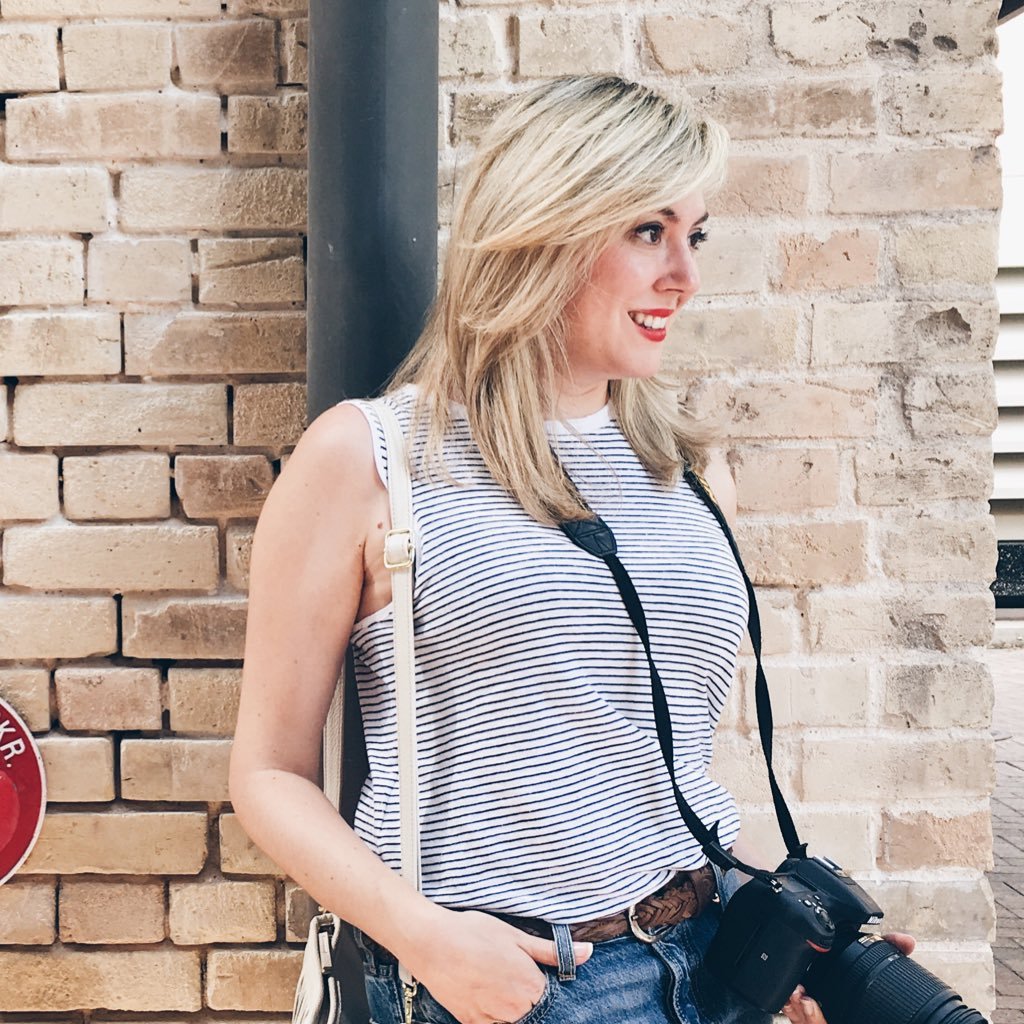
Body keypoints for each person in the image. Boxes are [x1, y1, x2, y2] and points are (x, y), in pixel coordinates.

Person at [228, 75, 911, 1024]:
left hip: (705, 963)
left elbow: (645, 749)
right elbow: (266, 773)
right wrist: (429, 941)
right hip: (509, 981)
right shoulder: (371, 456)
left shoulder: (671, 464)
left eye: (695, 234)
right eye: (647, 231)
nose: (686, 275)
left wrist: (776, 936)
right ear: (543, 229)